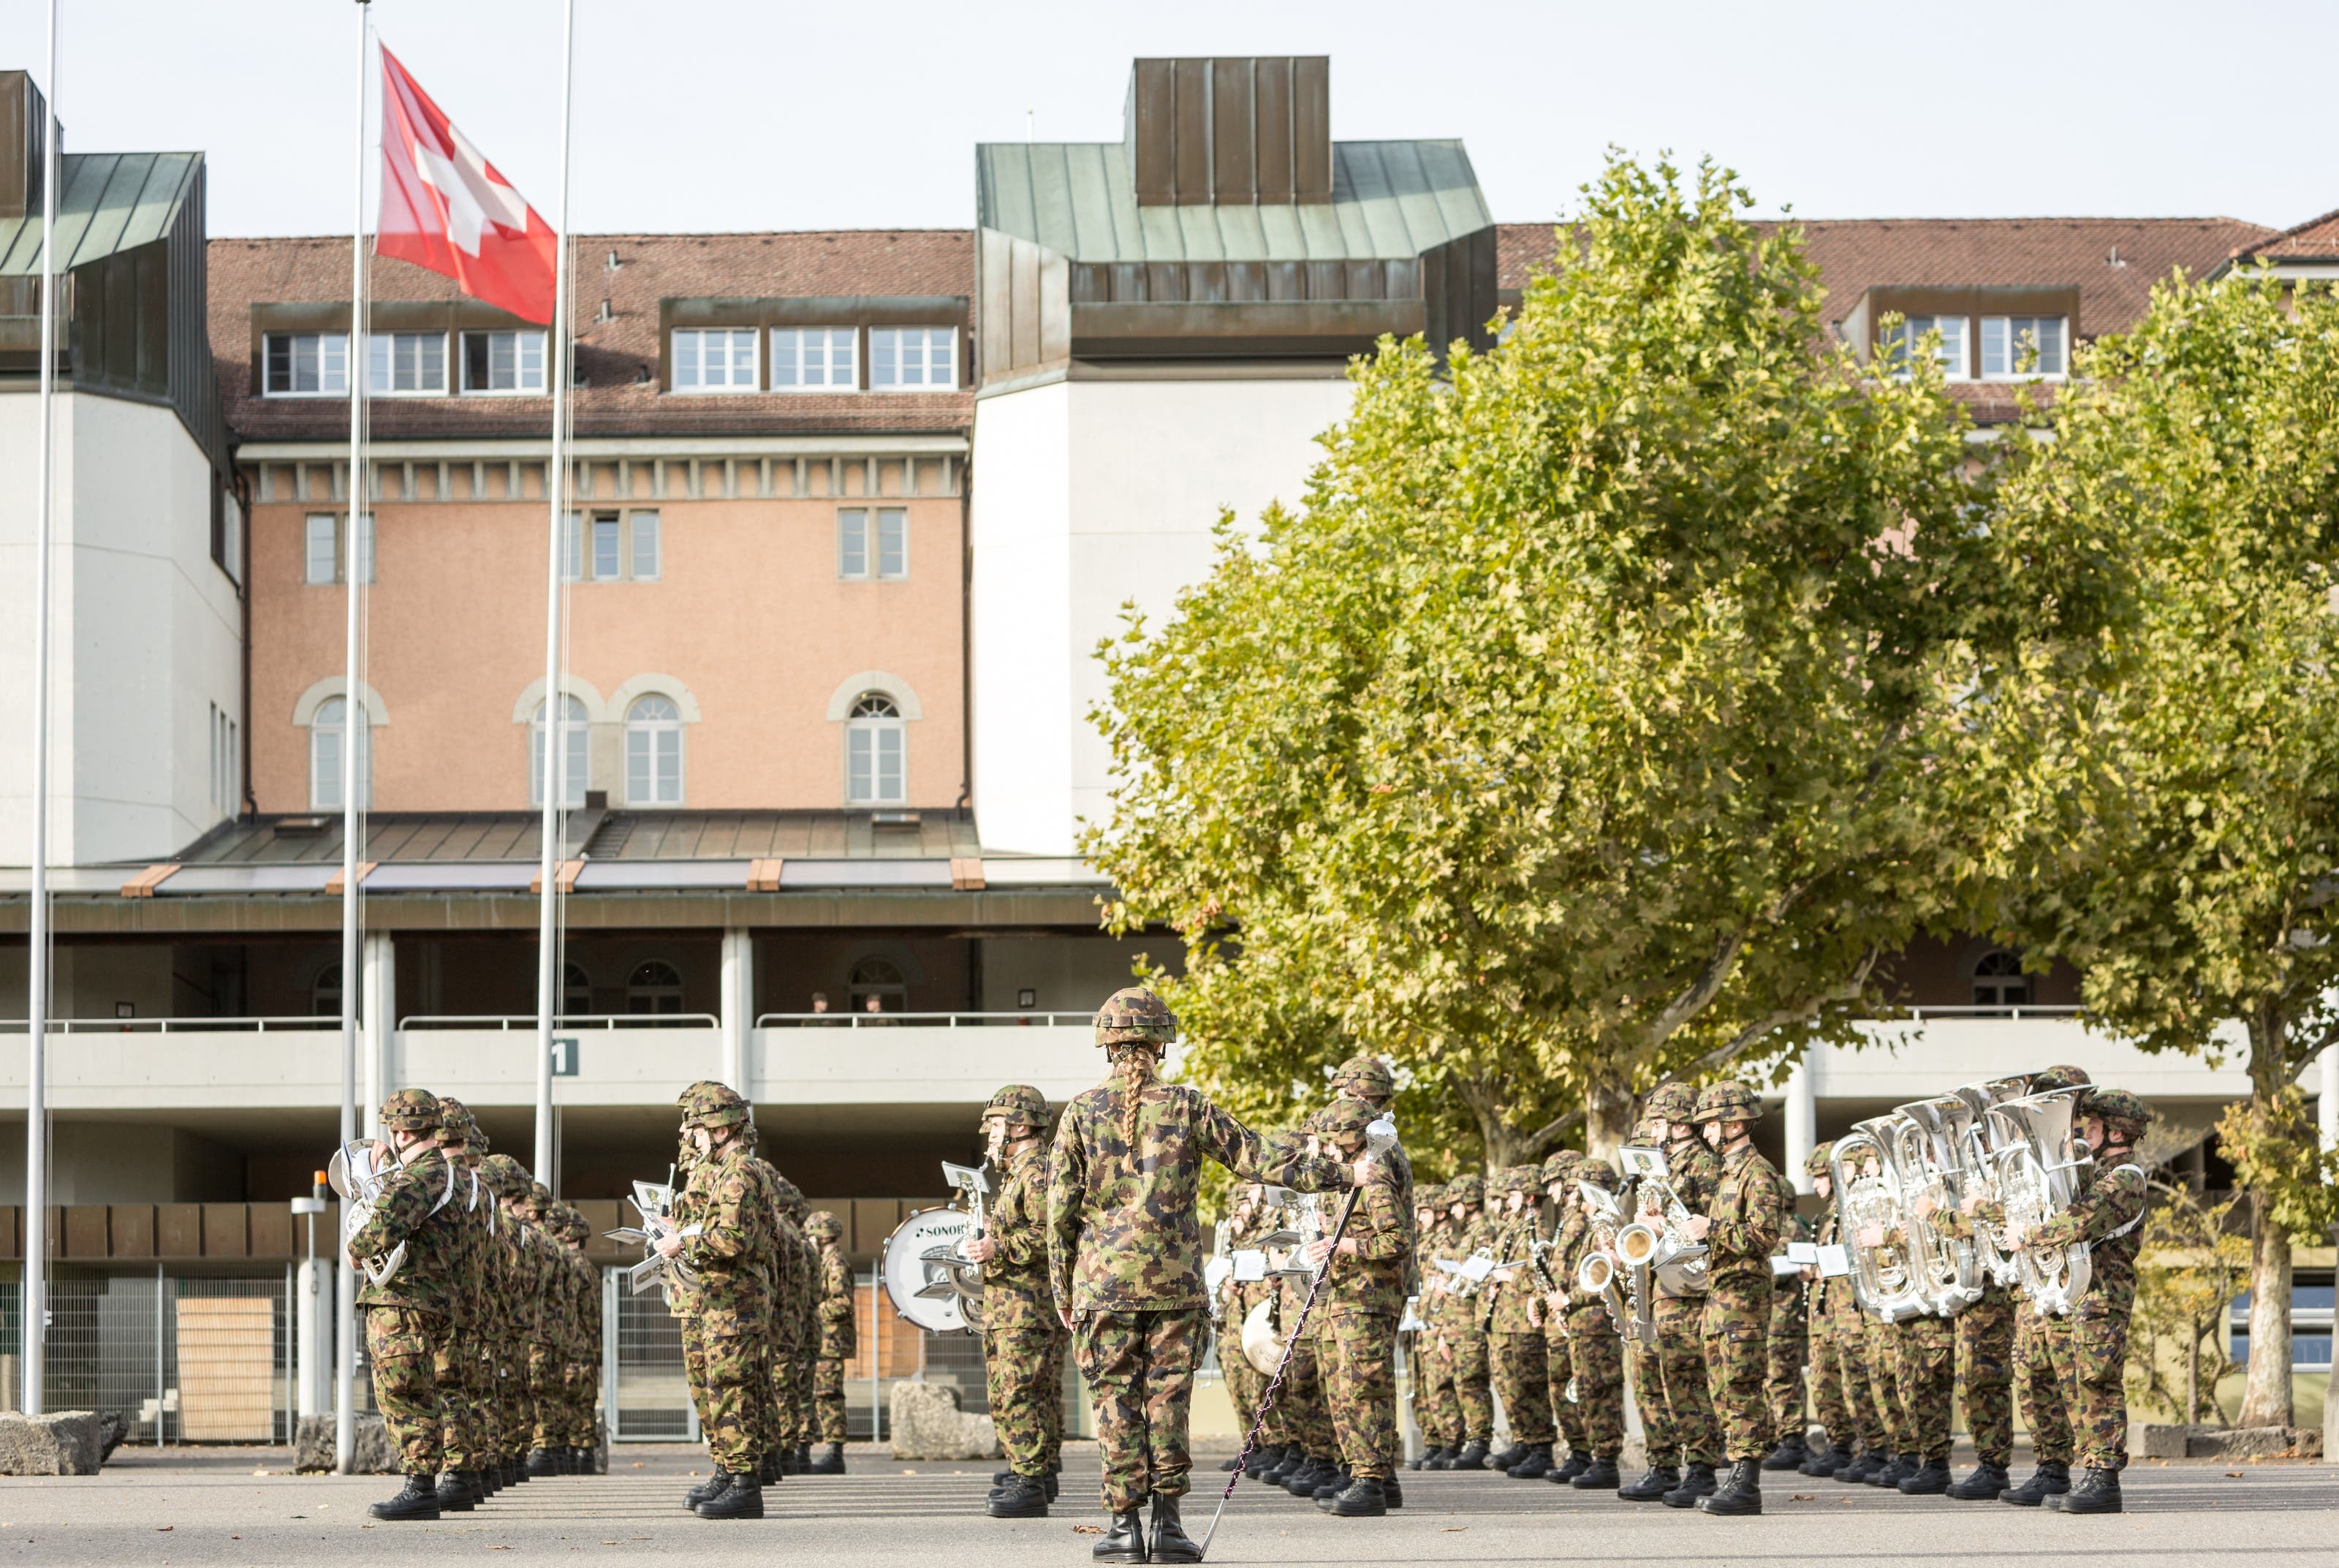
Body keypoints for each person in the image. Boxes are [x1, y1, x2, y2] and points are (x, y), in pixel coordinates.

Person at [1045, 986, 1364, 1564]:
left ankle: (1123, 1526)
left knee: (1115, 1401)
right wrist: (1342, 1172)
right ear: (1160, 1044)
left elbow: (1059, 1212)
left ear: (1107, 1046)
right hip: (1176, 1286)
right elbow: (1263, 1158)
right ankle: (1168, 1526)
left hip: (1103, 1285)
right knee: (1169, 1400)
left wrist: (1062, 1288)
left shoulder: (1080, 1112)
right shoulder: (1189, 1107)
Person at [2009, 1086, 2149, 1515]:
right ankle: (2088, 1471)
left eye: (2092, 1126)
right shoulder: (2095, 1174)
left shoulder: (2126, 1178)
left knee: (2097, 1383)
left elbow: (2079, 1220)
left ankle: (2105, 1480)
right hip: (2081, 1295)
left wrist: (2029, 1237)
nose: (2085, 1133)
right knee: (2075, 1387)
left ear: (2116, 1132)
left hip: (2104, 1297)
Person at [658, 1080, 781, 1520]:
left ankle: (745, 1484)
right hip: (720, 1300)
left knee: (734, 1390)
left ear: (722, 1130)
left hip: (736, 1302)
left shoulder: (741, 1172)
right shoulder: (724, 1172)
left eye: (699, 1128)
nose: (693, 1136)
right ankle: (730, 1472)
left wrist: (682, 1246)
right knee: (718, 1389)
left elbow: (733, 1239)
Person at [349, 1088, 466, 1522]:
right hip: (422, 1298)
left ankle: (420, 1489)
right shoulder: (438, 1171)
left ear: (399, 1130)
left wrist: (355, 1246)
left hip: (406, 1299)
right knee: (413, 1390)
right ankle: (421, 1487)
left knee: (404, 1392)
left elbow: (384, 1223)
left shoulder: (420, 1176)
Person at [1305, 1097, 1414, 1517]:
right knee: (1346, 1387)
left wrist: (1344, 1244)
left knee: (1362, 1388)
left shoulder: (1376, 1174)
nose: (1329, 1150)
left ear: (1350, 1138)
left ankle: (1369, 1479)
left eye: (1332, 1142)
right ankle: (1376, 1476)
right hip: (1349, 1296)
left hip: (1368, 1300)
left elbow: (1397, 1240)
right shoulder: (1357, 1174)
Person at [1683, 1080, 1786, 1516]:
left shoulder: (1757, 1173)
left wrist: (1711, 1231)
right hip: (1722, 1295)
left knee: (1741, 1386)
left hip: (1743, 1298)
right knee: (1723, 1388)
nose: (1707, 1133)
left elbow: (1765, 1236)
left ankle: (1748, 1482)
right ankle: (1737, 1474)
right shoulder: (1728, 1173)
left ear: (1736, 1122)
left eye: (1712, 1124)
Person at [973, 1084, 1069, 1518]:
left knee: (1019, 1392)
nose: (991, 1134)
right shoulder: (1019, 1173)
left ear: (1021, 1125)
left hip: (1025, 1307)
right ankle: (1035, 1472)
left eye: (996, 1125)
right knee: (1031, 1391)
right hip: (1013, 1305)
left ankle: (1029, 1479)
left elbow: (1050, 1236)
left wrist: (998, 1248)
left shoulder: (1035, 1174)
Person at [1999, 1064, 2093, 1507]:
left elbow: (2074, 1217)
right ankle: (2050, 1469)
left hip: (2069, 1288)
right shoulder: (2031, 1156)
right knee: (2033, 1383)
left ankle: (2089, 1472)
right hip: (2034, 1289)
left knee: (2073, 1386)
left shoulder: (2082, 1157)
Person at [1631, 1084, 1723, 1507]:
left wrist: (1659, 1225)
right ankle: (1680, 1467)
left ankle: (1702, 1470)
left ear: (1679, 1122)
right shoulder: (1665, 1166)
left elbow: (1705, 1227)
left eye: (1658, 1120)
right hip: (1666, 1287)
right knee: (1675, 1382)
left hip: (1689, 1288)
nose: (1653, 1128)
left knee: (1689, 1381)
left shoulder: (1703, 1163)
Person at [1796, 1142, 1873, 1479]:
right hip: (1826, 1313)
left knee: (1857, 1382)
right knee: (1825, 1381)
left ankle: (1873, 1447)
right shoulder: (1829, 1214)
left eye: (1821, 1176)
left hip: (1851, 1313)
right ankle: (1840, 1444)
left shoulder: (1859, 1206)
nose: (1816, 1184)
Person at [1554, 1156, 1624, 1489]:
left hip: (1598, 1323)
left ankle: (1606, 1460)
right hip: (1585, 1324)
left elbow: (1603, 1277)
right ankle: (1598, 1457)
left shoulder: (1605, 1225)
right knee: (1587, 1390)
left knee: (1600, 1390)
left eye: (1578, 1191)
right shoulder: (1593, 1225)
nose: (1572, 1198)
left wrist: (1568, 1300)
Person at [1484, 1165, 1556, 1479]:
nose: (1506, 1201)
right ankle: (1524, 1441)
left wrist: (1510, 1275)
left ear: (1528, 1197)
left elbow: (1544, 1272)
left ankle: (1541, 1447)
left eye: (1512, 1195)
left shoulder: (1537, 1227)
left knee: (1529, 1385)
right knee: (1509, 1386)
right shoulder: (1513, 1226)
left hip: (1523, 1321)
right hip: (1504, 1318)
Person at [1759, 1192, 1813, 1474]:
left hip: (1784, 1316)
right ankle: (1771, 1437)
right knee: (1769, 1378)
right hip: (1771, 1315)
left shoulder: (1791, 1227)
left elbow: (1788, 1266)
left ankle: (1793, 1440)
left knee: (1783, 1377)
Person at [804, 1211, 855, 1474]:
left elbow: (843, 1304)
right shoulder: (827, 1261)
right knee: (823, 1395)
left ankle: (834, 1453)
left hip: (831, 1341)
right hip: (825, 1339)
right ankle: (830, 1449)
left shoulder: (834, 1263)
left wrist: (813, 1309)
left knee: (829, 1396)